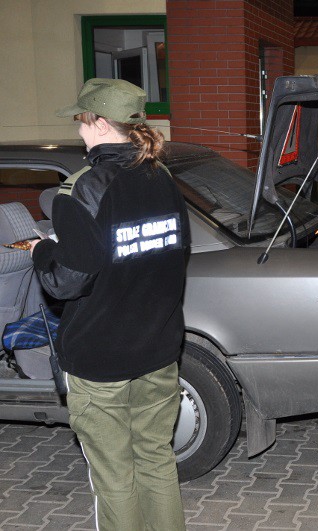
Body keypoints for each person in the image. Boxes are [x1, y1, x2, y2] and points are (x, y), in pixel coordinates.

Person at [29, 78, 190, 530]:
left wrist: (43, 250)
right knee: (157, 462)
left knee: (114, 476)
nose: (79, 132)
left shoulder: (80, 189)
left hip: (101, 360)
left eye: (81, 121)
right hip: (158, 350)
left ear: (99, 123)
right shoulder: (162, 178)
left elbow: (65, 282)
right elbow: (170, 255)